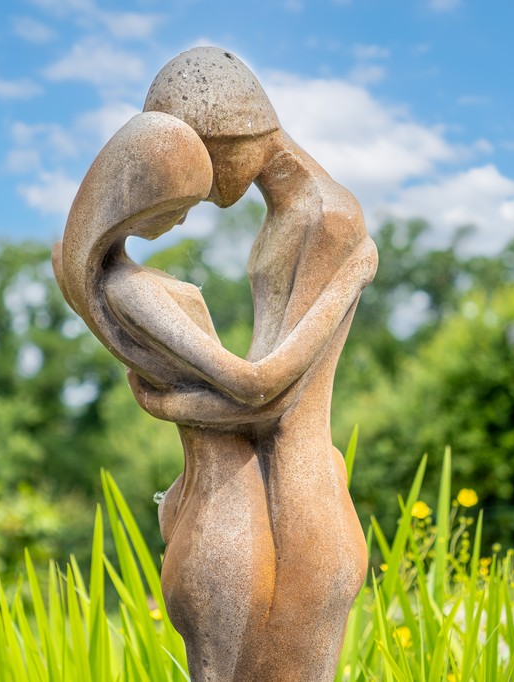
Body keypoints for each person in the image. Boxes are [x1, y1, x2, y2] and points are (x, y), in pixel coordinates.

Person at [127, 47, 378, 681]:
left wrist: (168, 401)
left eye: (205, 168)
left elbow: (272, 399)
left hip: (298, 501)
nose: (205, 192)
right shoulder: (287, 217)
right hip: (273, 488)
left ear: (234, 134)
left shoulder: (327, 216)